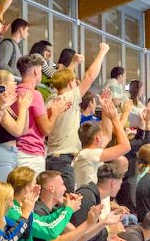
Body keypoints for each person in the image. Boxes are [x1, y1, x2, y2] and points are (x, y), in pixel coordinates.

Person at [46, 43, 110, 192]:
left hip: (52, 157)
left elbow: (63, 77)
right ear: (70, 84)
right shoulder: (69, 97)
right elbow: (90, 76)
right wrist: (102, 52)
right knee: (68, 201)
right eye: (75, 81)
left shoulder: (51, 100)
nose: (77, 83)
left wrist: (73, 64)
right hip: (64, 159)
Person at [14, 53, 70, 174]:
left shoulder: (14, 92)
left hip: (16, 151)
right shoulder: (35, 94)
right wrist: (55, 113)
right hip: (31, 153)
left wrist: (51, 111)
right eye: (40, 71)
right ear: (35, 71)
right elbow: (46, 129)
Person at [73, 94, 131, 189]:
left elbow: (107, 134)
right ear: (97, 138)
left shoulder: (88, 152)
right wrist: (115, 119)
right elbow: (126, 146)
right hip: (89, 195)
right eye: (101, 135)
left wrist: (105, 108)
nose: (103, 136)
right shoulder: (89, 154)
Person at [0, 70, 31, 183]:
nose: (16, 85)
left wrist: (25, 107)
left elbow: (24, 131)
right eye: (13, 82)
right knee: (2, 192)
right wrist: (23, 108)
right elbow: (17, 131)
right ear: (3, 86)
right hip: (0, 156)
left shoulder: (6, 106)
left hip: (10, 153)